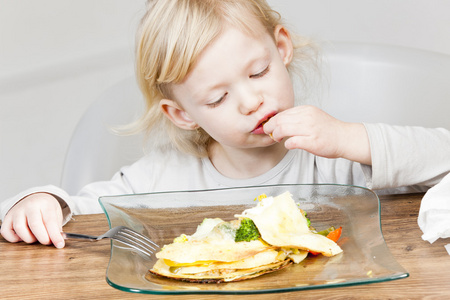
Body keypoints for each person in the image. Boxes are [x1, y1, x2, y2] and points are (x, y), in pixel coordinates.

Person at [1, 0, 449, 249]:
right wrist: (42, 202)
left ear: (282, 48)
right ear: (182, 114)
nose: (252, 100)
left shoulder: (334, 158)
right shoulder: (163, 177)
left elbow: (442, 158)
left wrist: (350, 138)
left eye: (258, 73)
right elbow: (84, 209)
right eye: (217, 98)